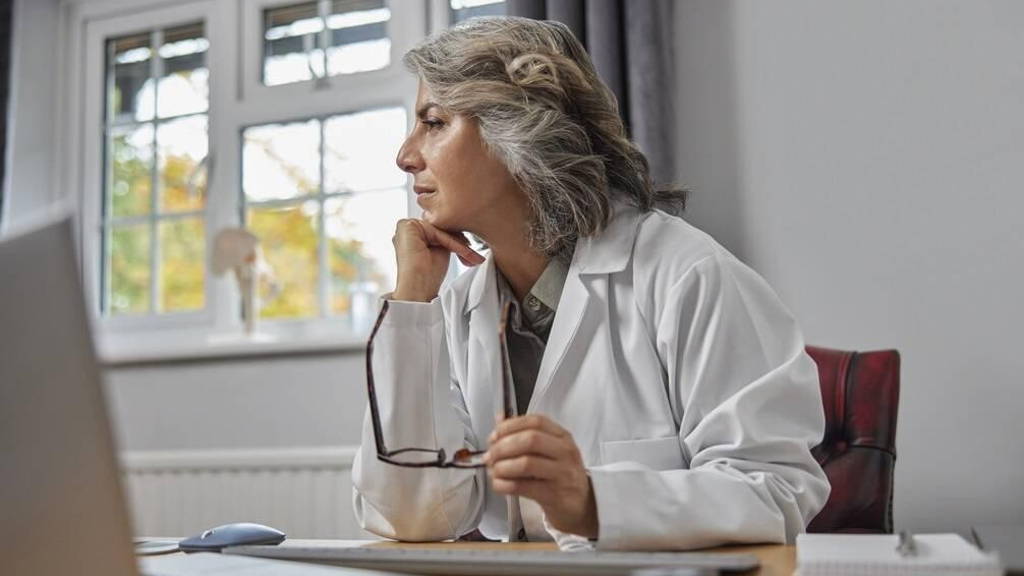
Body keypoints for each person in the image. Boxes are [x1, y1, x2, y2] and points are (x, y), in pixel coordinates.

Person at [351, 16, 830, 551]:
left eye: (434, 123)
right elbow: (414, 517)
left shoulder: (688, 276)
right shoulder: (460, 304)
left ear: (520, 129)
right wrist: (411, 307)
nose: (405, 155)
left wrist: (592, 501)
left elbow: (778, 491)